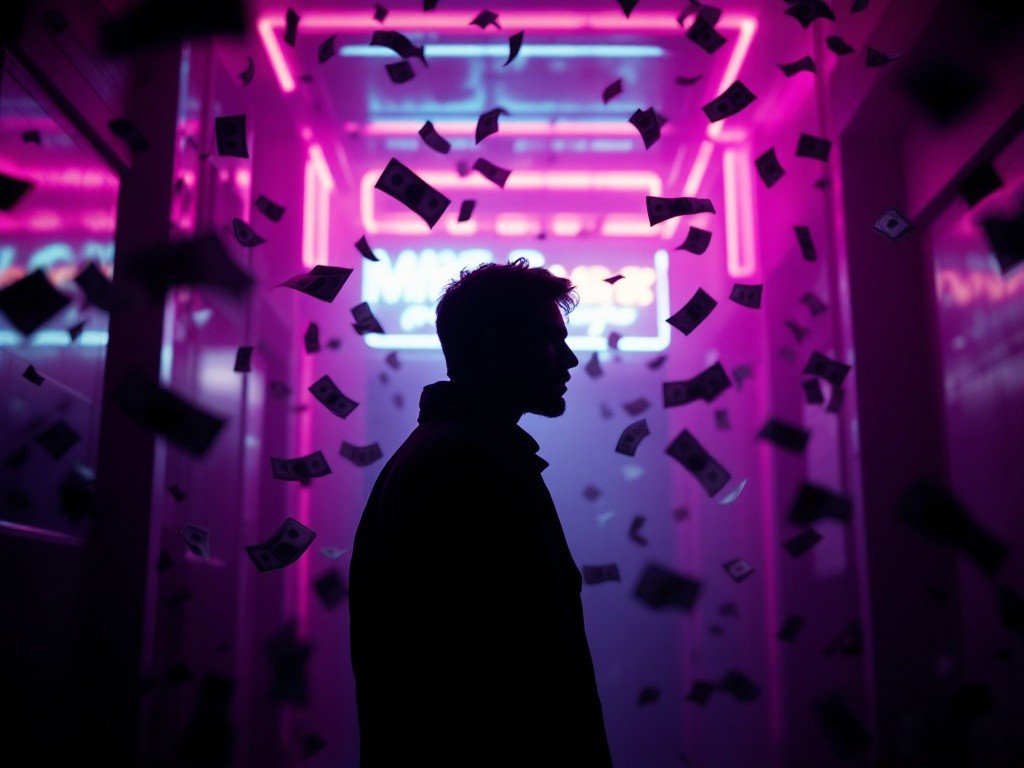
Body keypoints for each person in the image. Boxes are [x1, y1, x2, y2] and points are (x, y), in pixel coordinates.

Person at [348, 258, 614, 768]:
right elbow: (498, 668)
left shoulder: (452, 455)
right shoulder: (465, 465)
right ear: (496, 344)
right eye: (551, 340)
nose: (570, 359)